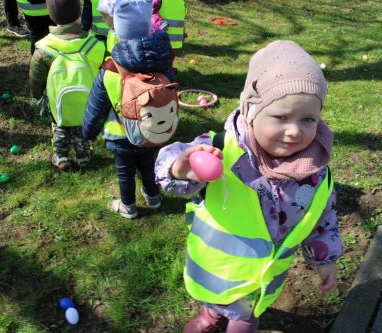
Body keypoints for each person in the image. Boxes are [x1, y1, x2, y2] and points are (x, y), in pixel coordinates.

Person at [155, 40, 343, 333]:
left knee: (244, 318)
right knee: (219, 300)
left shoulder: (316, 172)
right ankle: (211, 314)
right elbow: (169, 168)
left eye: (308, 119)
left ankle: (222, 316)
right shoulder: (221, 149)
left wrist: (325, 259)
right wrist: (181, 168)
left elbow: (322, 219)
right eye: (281, 117)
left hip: (260, 279)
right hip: (216, 268)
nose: (294, 131)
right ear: (251, 112)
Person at [82, 0, 173, 219]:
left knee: (125, 173)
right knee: (148, 166)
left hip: (120, 135)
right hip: (152, 130)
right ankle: (153, 198)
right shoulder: (163, 64)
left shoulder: (110, 70)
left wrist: (88, 132)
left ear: (117, 31)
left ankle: (128, 206)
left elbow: (96, 106)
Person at [29, 0, 106, 171]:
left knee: (59, 126)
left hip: (58, 100)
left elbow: (36, 78)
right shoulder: (95, 45)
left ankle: (61, 155)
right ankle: (83, 155)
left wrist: (37, 95)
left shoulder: (44, 49)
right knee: (81, 127)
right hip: (87, 99)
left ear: (51, 16)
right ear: (79, 13)